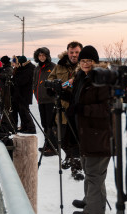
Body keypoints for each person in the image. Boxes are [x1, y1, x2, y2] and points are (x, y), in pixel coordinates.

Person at [70, 45, 111, 214]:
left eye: (89, 60)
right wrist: (63, 96)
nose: (85, 63)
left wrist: (82, 109)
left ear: (95, 62)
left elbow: (107, 108)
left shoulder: (102, 79)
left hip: (99, 133)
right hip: (87, 132)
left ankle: (95, 212)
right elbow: (79, 100)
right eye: (83, 60)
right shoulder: (83, 77)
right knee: (90, 169)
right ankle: (91, 200)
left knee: (94, 172)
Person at [47, 41, 84, 180]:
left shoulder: (85, 65)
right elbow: (50, 80)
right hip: (62, 108)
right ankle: (69, 157)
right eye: (71, 52)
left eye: (77, 52)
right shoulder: (60, 65)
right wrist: (53, 88)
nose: (74, 55)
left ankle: (77, 167)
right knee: (60, 136)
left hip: (77, 109)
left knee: (75, 139)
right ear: (67, 52)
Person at [33, 47, 57, 156]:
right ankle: (47, 144)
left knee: (50, 124)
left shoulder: (52, 67)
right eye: (40, 55)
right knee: (44, 123)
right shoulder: (37, 68)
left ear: (47, 56)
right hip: (41, 99)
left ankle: (53, 147)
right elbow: (35, 82)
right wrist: (35, 91)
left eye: (43, 55)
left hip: (50, 100)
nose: (42, 57)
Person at [11, 56, 36, 134]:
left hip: (24, 94)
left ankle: (31, 128)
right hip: (20, 94)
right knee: (21, 111)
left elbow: (21, 81)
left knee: (25, 111)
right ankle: (24, 127)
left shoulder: (28, 70)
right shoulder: (23, 69)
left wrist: (16, 77)